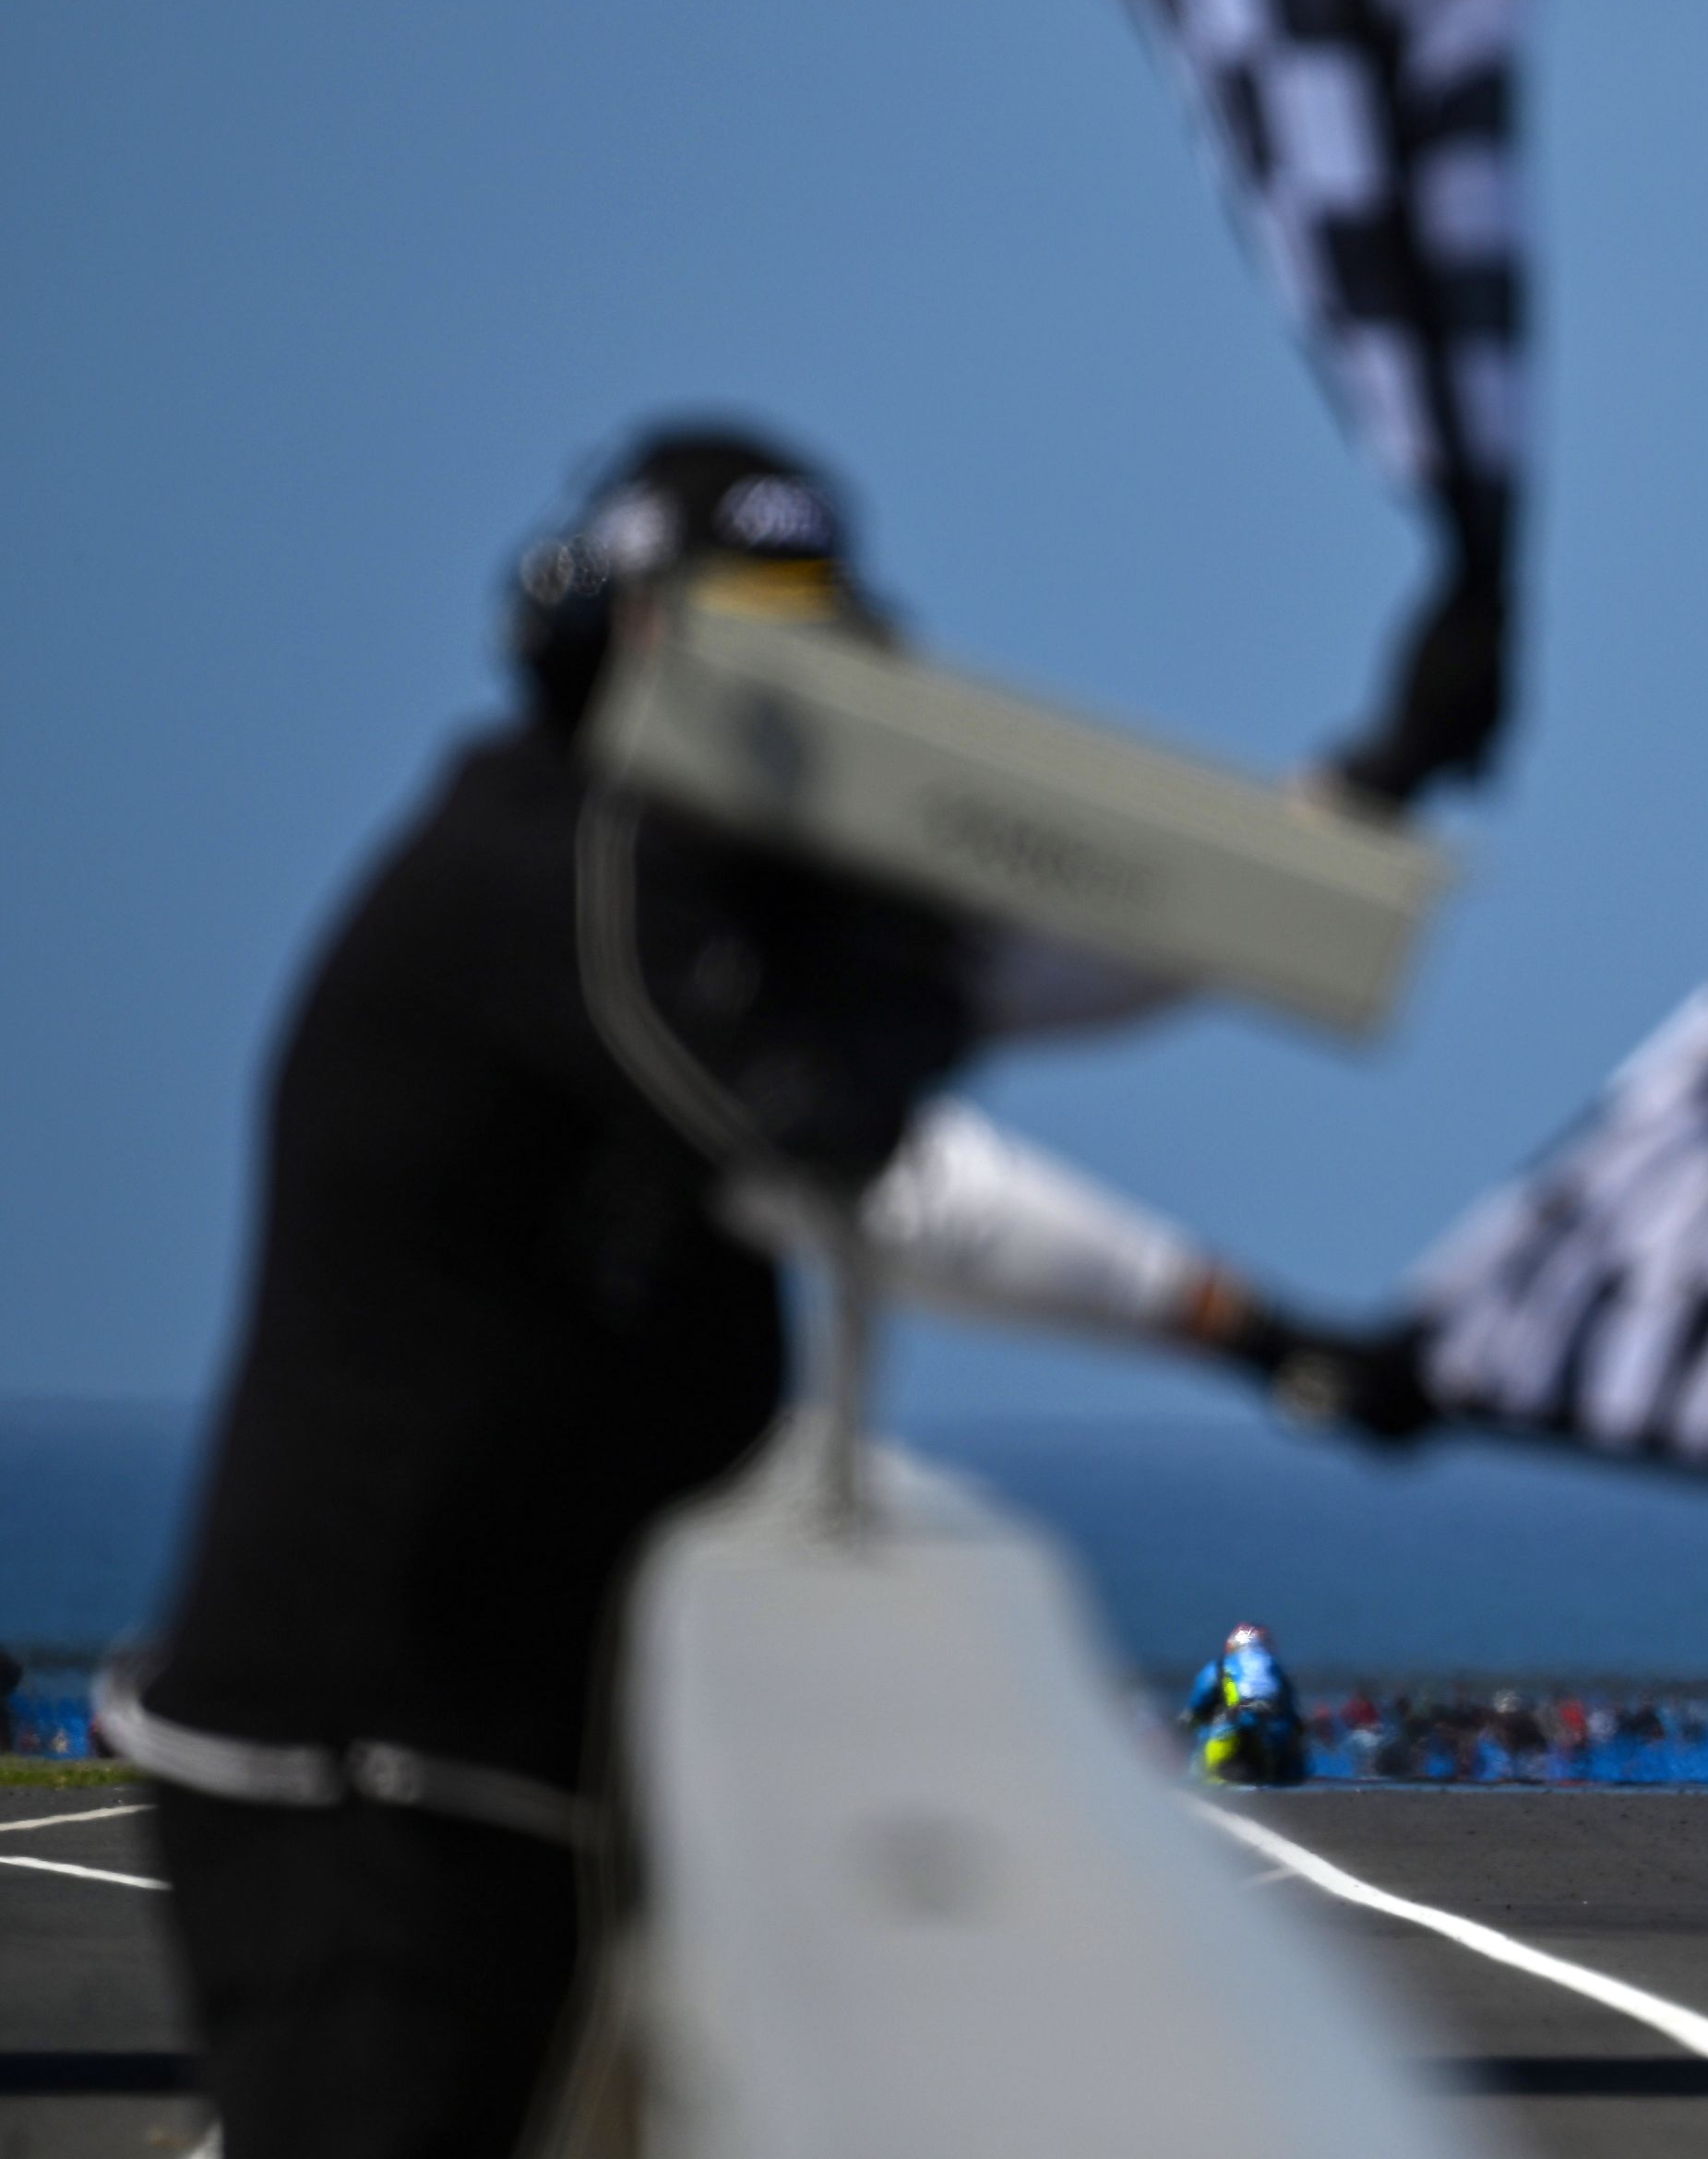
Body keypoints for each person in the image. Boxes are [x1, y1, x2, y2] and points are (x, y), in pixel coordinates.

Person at [107, 425, 1392, 2159]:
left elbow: (1010, 967)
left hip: (483, 1744)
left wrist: (1345, 814)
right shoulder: (566, 875)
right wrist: (1242, 1322)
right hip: (368, 1758)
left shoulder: (661, 881)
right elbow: (848, 1154)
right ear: (628, 638)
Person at [1183, 1624, 1308, 1787]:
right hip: (1275, 1739)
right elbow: (1292, 1709)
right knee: (1290, 1766)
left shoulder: (1221, 1665)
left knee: (1202, 1765)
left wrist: (1187, 1723)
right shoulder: (1276, 1667)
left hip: (1230, 1732)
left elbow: (1198, 1703)